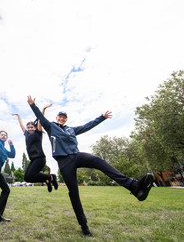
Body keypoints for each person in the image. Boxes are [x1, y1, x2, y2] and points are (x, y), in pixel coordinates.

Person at [27, 95, 154, 236]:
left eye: (64, 117)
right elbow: (40, 116)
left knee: (98, 161)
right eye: (60, 117)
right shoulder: (50, 127)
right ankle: (84, 226)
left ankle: (133, 186)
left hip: (77, 156)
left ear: (66, 119)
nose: (62, 118)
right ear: (57, 118)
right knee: (74, 193)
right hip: (64, 162)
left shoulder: (71, 130)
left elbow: (88, 126)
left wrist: (102, 117)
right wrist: (32, 105)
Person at [12, 109, 58, 192]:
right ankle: (47, 180)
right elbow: (21, 125)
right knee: (27, 178)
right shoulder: (26, 134)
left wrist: (43, 110)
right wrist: (18, 116)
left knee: (31, 175)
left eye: (32, 127)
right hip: (33, 159)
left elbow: (40, 119)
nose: (30, 129)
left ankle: (51, 177)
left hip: (40, 158)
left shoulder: (38, 132)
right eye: (28, 127)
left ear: (35, 127)